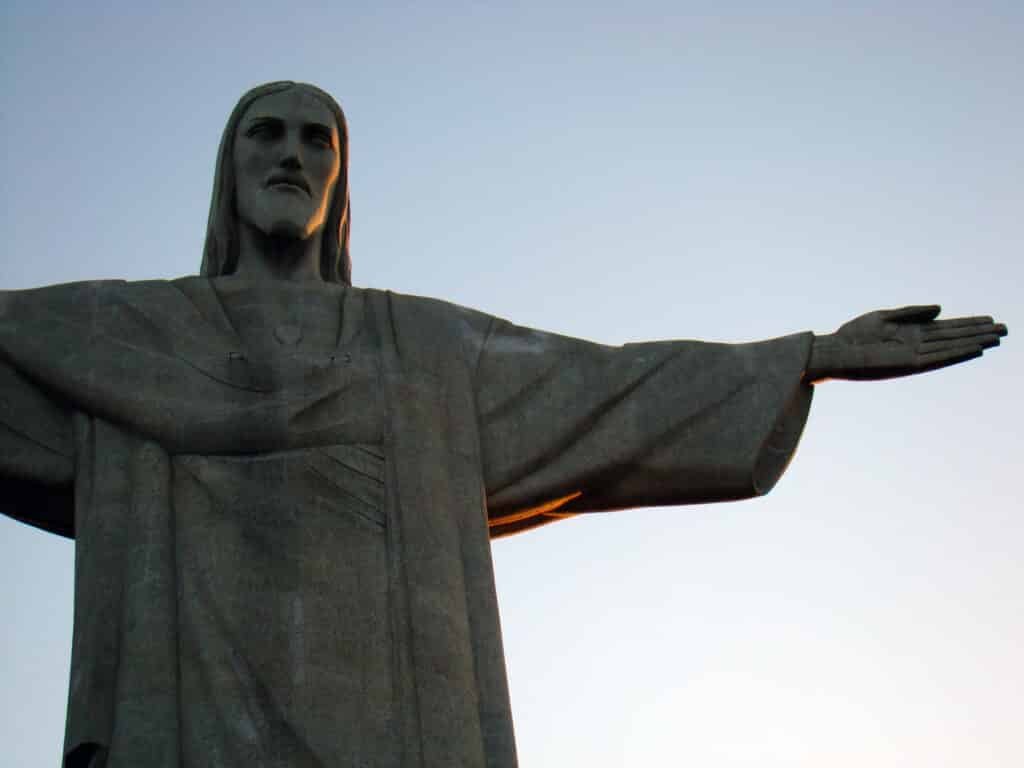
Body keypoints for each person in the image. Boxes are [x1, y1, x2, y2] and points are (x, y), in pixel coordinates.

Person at [0, 81, 1006, 768]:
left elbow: (605, 386)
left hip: (395, 714)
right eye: (268, 133)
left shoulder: (421, 348)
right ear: (228, 166)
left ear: (339, 182)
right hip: (177, 713)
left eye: (318, 141)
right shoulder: (120, 331)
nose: (293, 155)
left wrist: (805, 357)